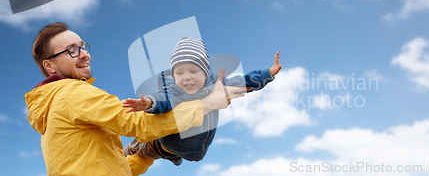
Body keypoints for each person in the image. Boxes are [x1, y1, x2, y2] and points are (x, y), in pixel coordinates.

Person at [24, 23, 245, 176]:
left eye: (82, 46)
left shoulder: (51, 108)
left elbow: (111, 169)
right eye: (71, 50)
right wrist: (207, 104)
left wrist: (146, 156)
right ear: (50, 65)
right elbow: (138, 124)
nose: (84, 54)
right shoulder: (73, 94)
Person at [122, 37, 282, 165]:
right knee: (134, 150)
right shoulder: (175, 90)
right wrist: (149, 102)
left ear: (205, 72)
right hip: (158, 144)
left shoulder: (216, 85)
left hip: (189, 147)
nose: (186, 77)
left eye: (193, 71)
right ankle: (125, 153)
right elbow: (163, 97)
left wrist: (268, 73)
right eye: (179, 73)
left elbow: (244, 82)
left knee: (178, 150)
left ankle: (175, 156)